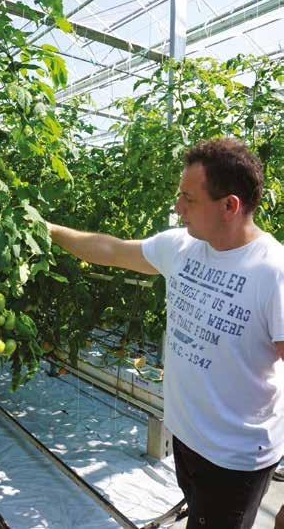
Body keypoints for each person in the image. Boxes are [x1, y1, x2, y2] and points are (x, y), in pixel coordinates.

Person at [47, 137, 284, 529]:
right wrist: (51, 230)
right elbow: (110, 249)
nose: (177, 208)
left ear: (230, 206)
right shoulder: (182, 248)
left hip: (235, 458)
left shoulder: (272, 272)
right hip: (187, 438)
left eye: (188, 199)